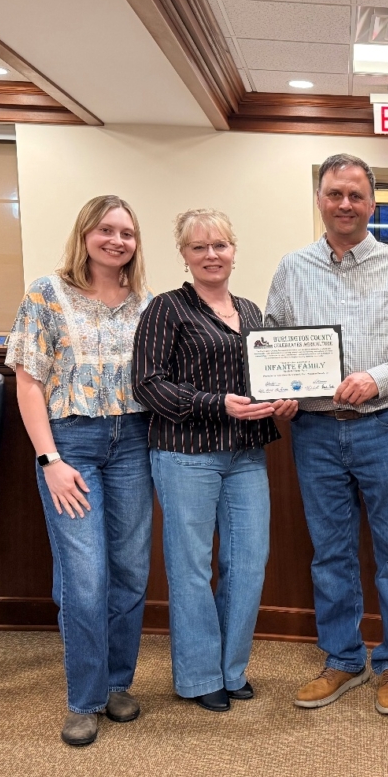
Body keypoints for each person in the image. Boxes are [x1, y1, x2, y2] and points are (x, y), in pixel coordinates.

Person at [265, 153, 388, 716]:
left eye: (356, 195)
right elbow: (272, 343)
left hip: (386, 428)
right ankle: (342, 659)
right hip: (315, 433)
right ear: (320, 199)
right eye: (335, 194)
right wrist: (281, 391)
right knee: (331, 553)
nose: (345, 204)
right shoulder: (291, 268)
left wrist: (377, 378)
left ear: (371, 202)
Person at [133, 209, 297, 712]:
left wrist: (284, 399)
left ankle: (231, 669)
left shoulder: (250, 311)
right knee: (191, 568)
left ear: (233, 251)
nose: (211, 255)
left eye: (219, 245)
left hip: (245, 454)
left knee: (248, 562)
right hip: (186, 455)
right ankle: (199, 675)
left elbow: (266, 378)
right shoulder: (166, 308)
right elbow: (147, 384)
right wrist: (215, 403)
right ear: (184, 255)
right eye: (199, 247)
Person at [5, 195, 153, 747]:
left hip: (134, 441)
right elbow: (28, 384)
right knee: (85, 575)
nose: (117, 241)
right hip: (71, 444)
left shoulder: (145, 302)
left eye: (127, 233)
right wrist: (50, 461)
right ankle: (84, 699)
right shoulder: (47, 293)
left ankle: (117, 683)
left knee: (130, 571)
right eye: (106, 230)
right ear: (85, 234)